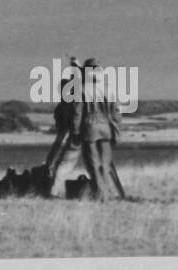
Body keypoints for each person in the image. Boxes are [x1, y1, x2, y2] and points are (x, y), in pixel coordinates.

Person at [78, 57, 122, 199]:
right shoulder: (109, 89)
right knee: (105, 163)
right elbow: (116, 113)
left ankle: (100, 194)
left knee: (93, 164)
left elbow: (77, 114)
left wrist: (74, 131)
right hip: (107, 129)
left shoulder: (82, 89)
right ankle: (108, 192)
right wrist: (116, 131)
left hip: (89, 129)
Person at [44, 58, 83, 191]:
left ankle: (52, 188)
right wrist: (76, 67)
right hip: (77, 138)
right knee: (62, 165)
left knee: (57, 164)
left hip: (68, 138)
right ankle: (53, 190)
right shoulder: (73, 102)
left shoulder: (61, 107)